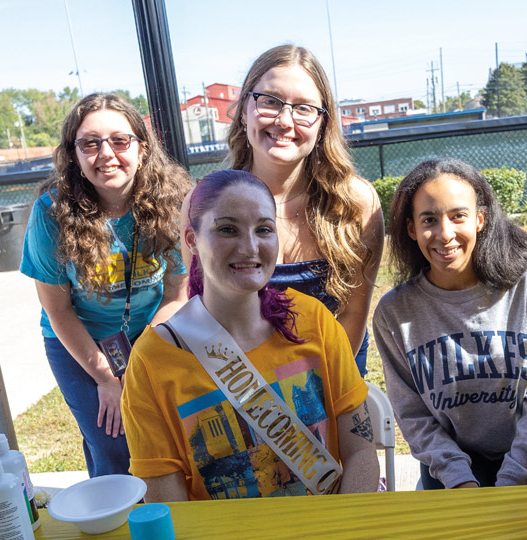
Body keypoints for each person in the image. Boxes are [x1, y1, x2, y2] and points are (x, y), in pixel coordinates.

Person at [123, 169, 379, 501]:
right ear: (191, 240)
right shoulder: (152, 360)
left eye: (264, 229)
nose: (249, 247)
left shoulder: (313, 320)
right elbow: (168, 502)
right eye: (227, 229)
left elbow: (361, 451)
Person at [181, 45, 383, 376]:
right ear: (244, 108)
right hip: (245, 392)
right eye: (270, 101)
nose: (285, 121)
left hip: (334, 380)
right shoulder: (202, 203)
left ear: (322, 122)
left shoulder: (356, 203)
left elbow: (352, 318)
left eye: (304, 108)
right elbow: (202, 316)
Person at [20, 93, 190, 477]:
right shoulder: (52, 213)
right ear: (74, 155)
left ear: (142, 148)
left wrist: (139, 363)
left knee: (166, 431)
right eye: (90, 143)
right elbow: (58, 310)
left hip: (151, 333)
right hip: (80, 340)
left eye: (119, 140)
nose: (105, 154)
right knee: (112, 442)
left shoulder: (174, 202)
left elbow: (177, 294)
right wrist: (105, 377)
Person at [373, 158, 527, 490]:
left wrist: (512, 479)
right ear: (411, 229)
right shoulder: (394, 313)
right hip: (449, 471)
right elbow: (413, 416)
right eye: (429, 219)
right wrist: (461, 482)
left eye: (458, 216)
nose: (445, 234)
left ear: (480, 219)